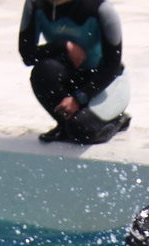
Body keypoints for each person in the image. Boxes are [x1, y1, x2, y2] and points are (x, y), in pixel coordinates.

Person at [18, 0, 131, 145]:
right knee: (43, 71)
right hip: (73, 80)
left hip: (107, 85)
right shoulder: (35, 4)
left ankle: (119, 120)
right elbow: (28, 56)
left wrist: (79, 98)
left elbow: (111, 66)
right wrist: (63, 46)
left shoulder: (101, 8)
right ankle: (65, 125)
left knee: (81, 131)